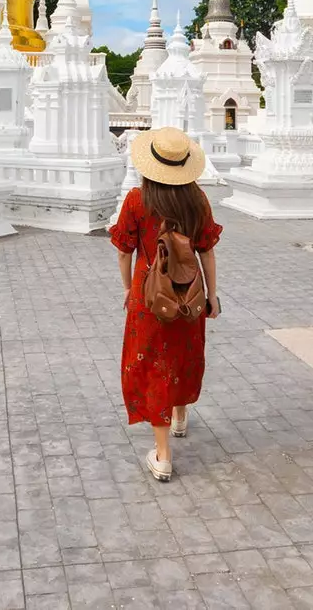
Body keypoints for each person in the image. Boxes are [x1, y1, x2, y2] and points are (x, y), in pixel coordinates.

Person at [110, 127, 222, 482]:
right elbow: (207, 251)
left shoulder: (136, 200)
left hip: (149, 295)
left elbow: (124, 252)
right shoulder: (198, 200)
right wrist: (211, 296)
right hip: (189, 295)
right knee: (182, 356)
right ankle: (180, 416)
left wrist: (129, 289)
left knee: (153, 366)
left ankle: (162, 455)